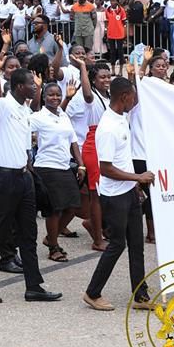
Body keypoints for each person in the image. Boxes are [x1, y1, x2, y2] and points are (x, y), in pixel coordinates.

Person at [0, 48, 61, 304]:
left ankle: (34, 286)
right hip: (3, 178)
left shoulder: (25, 109)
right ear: (20, 86)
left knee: (28, 234)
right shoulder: (2, 105)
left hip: (23, 177)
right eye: (31, 83)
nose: (35, 86)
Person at [83, 77, 155, 312]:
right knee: (117, 244)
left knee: (137, 244)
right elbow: (106, 169)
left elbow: (123, 159)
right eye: (133, 96)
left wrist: (134, 186)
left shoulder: (122, 118)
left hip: (128, 191)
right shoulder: (108, 127)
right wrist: (138, 178)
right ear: (124, 97)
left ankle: (140, 295)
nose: (135, 101)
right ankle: (92, 293)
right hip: (114, 196)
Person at [29, 82, 83, 262]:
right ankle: (53, 247)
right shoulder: (38, 117)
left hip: (64, 166)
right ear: (44, 97)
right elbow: (22, 130)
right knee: (54, 209)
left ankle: (50, 238)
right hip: (47, 167)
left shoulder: (63, 115)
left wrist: (81, 164)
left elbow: (73, 141)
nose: (55, 98)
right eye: (51, 95)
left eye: (58, 94)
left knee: (73, 206)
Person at [65, 56, 110, 251]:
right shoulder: (92, 98)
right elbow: (86, 93)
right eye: (102, 77)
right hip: (94, 144)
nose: (106, 80)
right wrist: (83, 66)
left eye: (108, 76)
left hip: (108, 144)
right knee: (95, 195)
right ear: (93, 80)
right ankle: (97, 239)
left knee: (107, 192)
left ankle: (97, 225)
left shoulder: (110, 97)